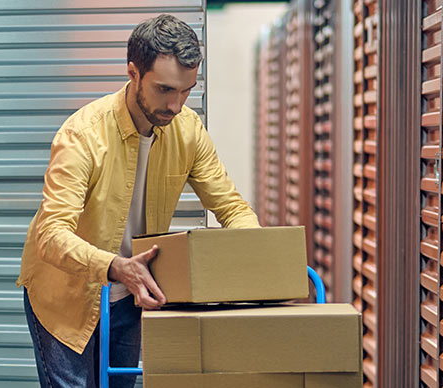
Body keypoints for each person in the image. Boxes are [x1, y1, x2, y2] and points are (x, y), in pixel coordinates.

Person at [15, 13, 262, 388]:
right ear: (133, 73)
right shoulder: (82, 135)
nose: (177, 105)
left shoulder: (188, 130)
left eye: (187, 90)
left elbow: (231, 207)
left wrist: (261, 264)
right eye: (165, 90)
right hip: (64, 296)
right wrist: (116, 266)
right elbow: (50, 235)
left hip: (131, 295)